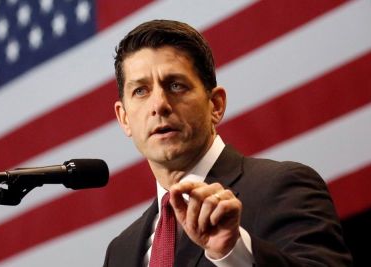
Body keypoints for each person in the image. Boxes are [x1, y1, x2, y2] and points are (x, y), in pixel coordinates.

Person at [103, 19, 352, 267]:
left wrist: (234, 251)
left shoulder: (282, 186)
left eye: (176, 85)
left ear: (216, 105)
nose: (159, 105)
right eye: (140, 91)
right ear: (124, 118)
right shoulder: (120, 251)